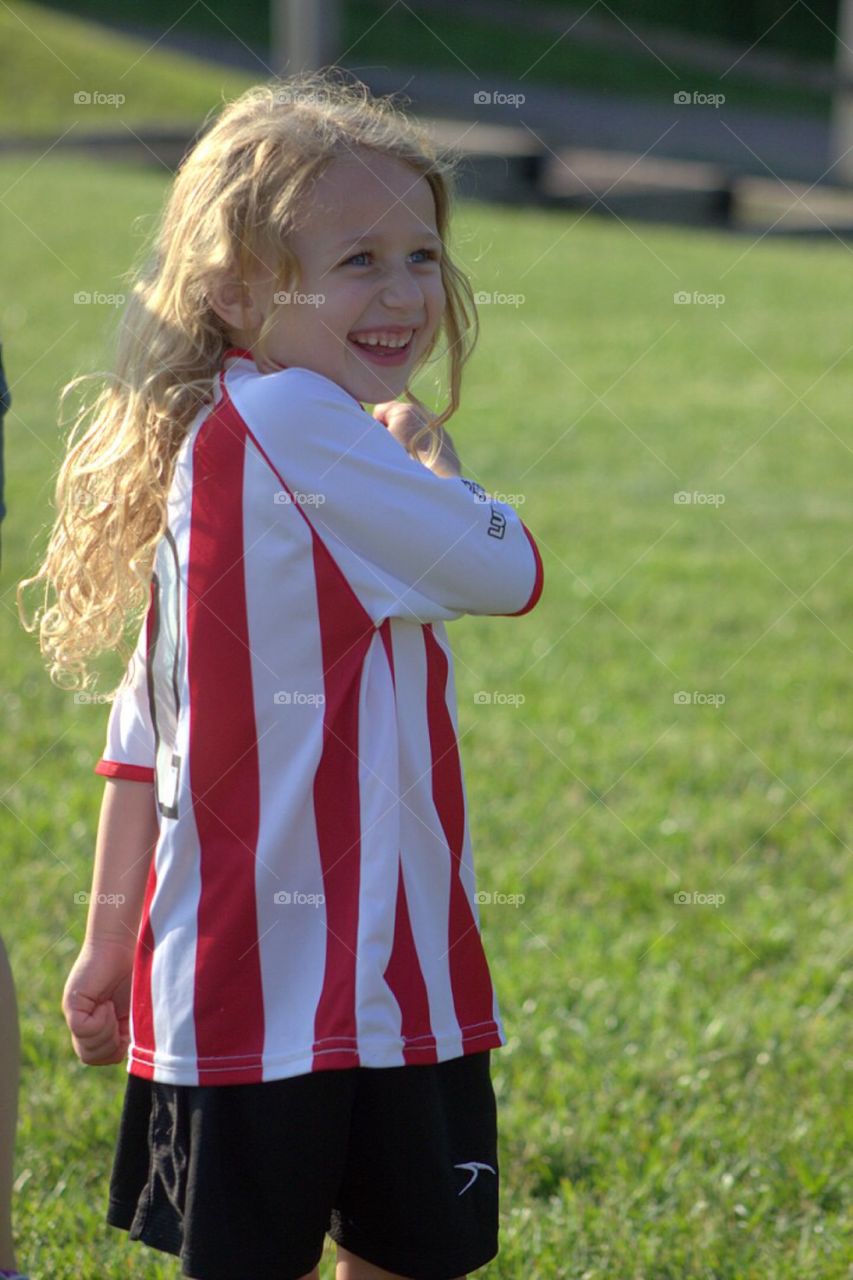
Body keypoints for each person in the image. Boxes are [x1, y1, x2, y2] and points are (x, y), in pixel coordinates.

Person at [17, 70, 544, 1280]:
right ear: (231, 284)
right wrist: (434, 456)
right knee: (404, 1253)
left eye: (422, 251)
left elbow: (144, 726)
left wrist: (108, 936)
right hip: (361, 978)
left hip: (231, 986)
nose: (405, 290)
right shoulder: (309, 425)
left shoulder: (222, 434)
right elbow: (505, 566)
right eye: (355, 258)